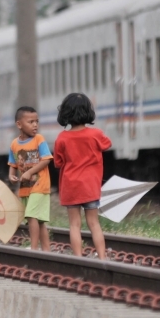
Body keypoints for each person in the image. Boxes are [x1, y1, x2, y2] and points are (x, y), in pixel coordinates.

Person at [54, 93, 111, 260]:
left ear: (64, 113)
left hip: (71, 187)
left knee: (74, 225)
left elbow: (58, 162)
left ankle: (78, 258)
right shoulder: (96, 134)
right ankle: (101, 258)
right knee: (94, 224)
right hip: (90, 187)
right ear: (88, 111)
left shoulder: (62, 138)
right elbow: (107, 144)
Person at [8, 106, 53, 251]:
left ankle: (34, 249)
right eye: (31, 122)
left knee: (31, 215)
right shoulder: (14, 144)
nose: (35, 125)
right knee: (38, 221)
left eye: (37, 121)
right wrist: (11, 175)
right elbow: (13, 163)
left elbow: (46, 159)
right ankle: (46, 251)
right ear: (19, 124)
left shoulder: (39, 139)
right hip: (26, 187)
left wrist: (29, 172)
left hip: (40, 184)